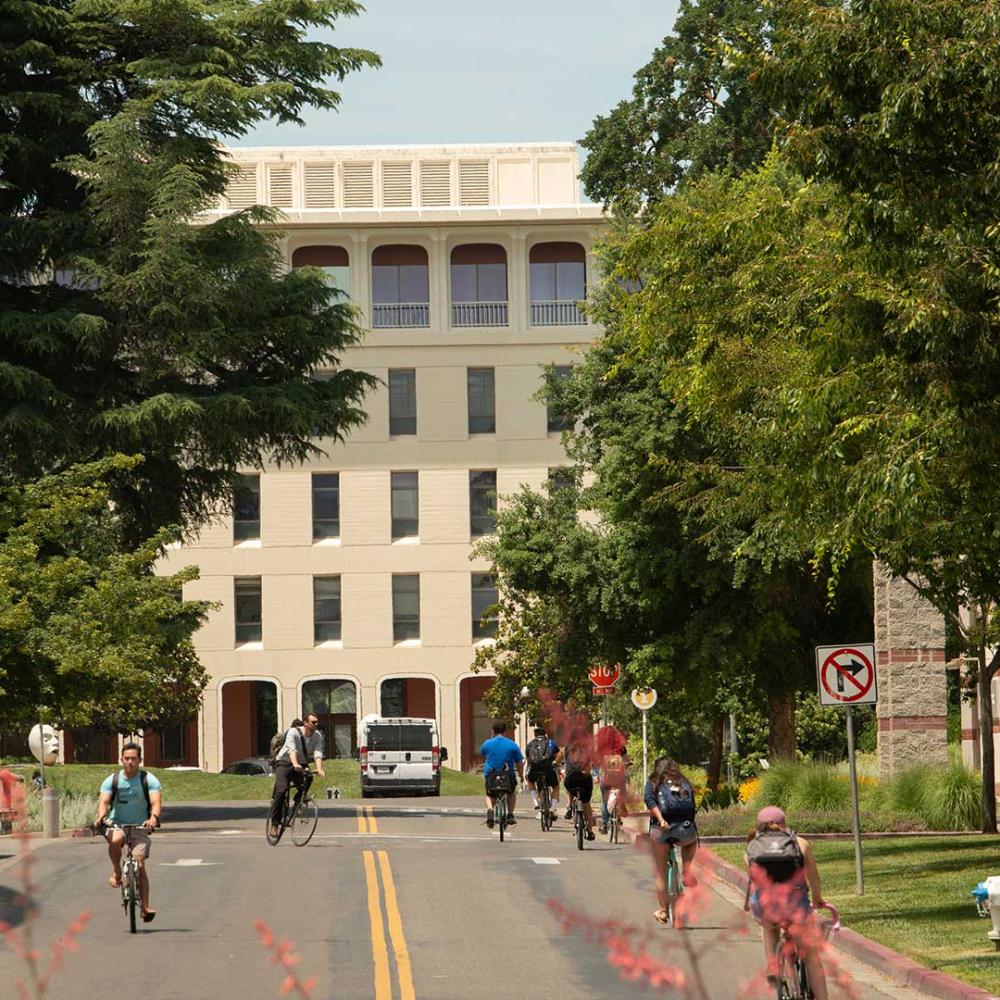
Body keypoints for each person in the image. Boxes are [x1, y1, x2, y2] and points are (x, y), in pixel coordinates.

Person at [745, 806, 829, 1000]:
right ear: (784, 822)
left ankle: (773, 965)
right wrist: (817, 898)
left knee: (769, 926)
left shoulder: (752, 846)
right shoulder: (800, 844)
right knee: (811, 958)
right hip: (796, 906)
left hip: (767, 906)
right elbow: (813, 877)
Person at [94, 742, 162, 923]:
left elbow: (155, 803)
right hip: (117, 823)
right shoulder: (113, 780)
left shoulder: (149, 779)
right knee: (115, 840)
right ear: (121, 760)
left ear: (140, 760)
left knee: (139, 864)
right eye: (126, 758)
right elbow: (104, 801)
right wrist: (102, 817)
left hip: (140, 826)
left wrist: (153, 818)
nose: (130, 762)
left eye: (133, 758)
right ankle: (117, 871)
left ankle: (145, 908)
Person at [644, 756, 698, 924]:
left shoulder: (653, 781)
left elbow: (649, 801)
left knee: (660, 874)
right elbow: (692, 807)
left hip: (661, 830)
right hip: (685, 829)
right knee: (691, 841)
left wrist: (661, 820)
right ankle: (687, 870)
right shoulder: (683, 781)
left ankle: (662, 911)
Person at [269, 714, 326, 838]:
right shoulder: (293, 732)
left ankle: (297, 802)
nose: (316, 724)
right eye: (313, 722)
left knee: (309, 777)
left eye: (317, 722)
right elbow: (292, 750)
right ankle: (274, 825)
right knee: (282, 791)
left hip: (300, 763)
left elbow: (318, 753)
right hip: (284, 762)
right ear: (305, 723)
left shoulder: (317, 736)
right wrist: (295, 764)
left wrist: (320, 768)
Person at [480, 721, 524, 828]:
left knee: (490, 794)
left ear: (493, 731)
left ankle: (490, 810)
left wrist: (491, 737)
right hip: (507, 776)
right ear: (505, 731)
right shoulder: (512, 745)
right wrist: (521, 775)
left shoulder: (487, 743)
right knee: (511, 792)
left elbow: (483, 754)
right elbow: (519, 762)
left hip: (491, 775)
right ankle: (510, 814)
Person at [562, 724, 596, 840]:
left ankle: (570, 807)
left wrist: (556, 764)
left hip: (571, 778)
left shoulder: (567, 747)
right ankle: (590, 831)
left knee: (569, 787)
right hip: (585, 778)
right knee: (586, 804)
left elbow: (558, 759)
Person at [595, 723, 629, 834]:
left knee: (605, 800)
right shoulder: (621, 747)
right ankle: (620, 810)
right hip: (619, 778)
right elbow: (626, 759)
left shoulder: (601, 747)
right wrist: (627, 764)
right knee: (622, 790)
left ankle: (605, 823)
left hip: (606, 778)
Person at [523, 726, 562, 819]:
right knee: (556, 786)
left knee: (530, 781)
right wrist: (557, 764)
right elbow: (558, 755)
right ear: (545, 734)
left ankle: (535, 802)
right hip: (549, 769)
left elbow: (528, 759)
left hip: (535, 769)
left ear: (535, 734)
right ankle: (553, 809)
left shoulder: (530, 744)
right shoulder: (551, 743)